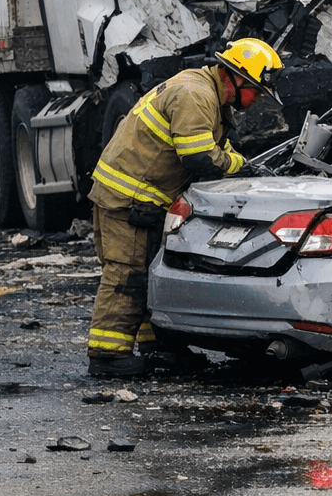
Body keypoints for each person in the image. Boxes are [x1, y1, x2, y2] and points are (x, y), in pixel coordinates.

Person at [85, 38, 283, 377]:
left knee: (148, 277)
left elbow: (216, 147)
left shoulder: (206, 95)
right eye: (255, 90)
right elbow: (198, 157)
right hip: (128, 197)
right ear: (234, 76)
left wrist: (240, 162)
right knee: (126, 275)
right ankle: (107, 355)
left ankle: (157, 348)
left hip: (142, 195)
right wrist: (239, 166)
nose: (256, 100)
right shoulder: (195, 94)